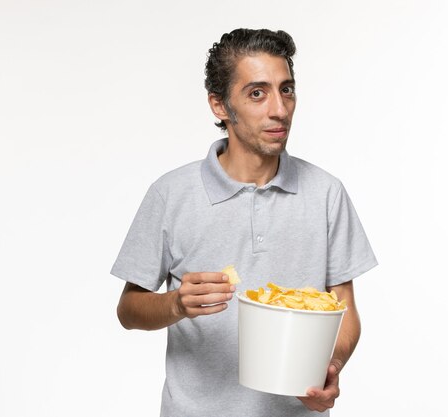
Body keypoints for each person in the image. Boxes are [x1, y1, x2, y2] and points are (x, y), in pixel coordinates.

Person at [111, 28, 377, 417]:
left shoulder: (326, 193)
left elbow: (345, 310)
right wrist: (176, 303)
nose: (279, 109)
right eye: (257, 93)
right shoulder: (171, 193)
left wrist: (329, 366)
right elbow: (128, 310)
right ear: (219, 106)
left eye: (286, 90)